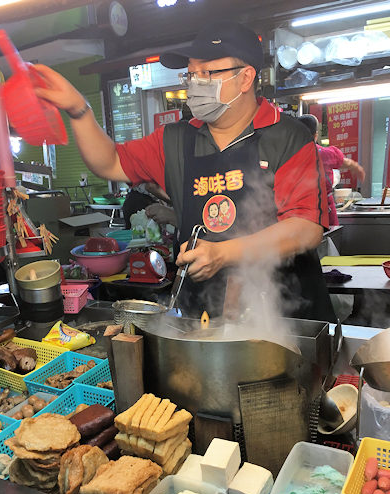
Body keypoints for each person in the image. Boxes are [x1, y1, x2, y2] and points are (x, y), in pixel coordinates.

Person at [33, 20, 335, 321]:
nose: (195, 82)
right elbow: (109, 162)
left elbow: (305, 228)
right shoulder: (175, 139)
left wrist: (222, 253)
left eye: (207, 73)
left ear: (245, 79)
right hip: (203, 313)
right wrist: (79, 109)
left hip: (286, 315)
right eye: (191, 73)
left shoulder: (287, 136)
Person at [298, 114, 366, 227]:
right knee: (329, 241)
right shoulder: (325, 154)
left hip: (297, 215)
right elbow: (347, 163)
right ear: (315, 135)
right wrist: (357, 169)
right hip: (324, 212)